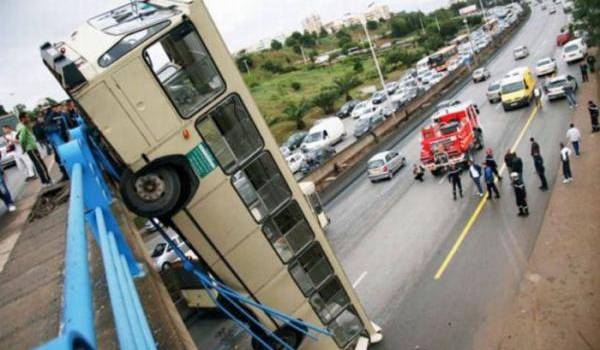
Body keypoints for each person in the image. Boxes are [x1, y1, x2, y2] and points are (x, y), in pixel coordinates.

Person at [16, 113, 52, 185]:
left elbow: (19, 137)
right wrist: (23, 148)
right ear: (23, 119)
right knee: (40, 164)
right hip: (31, 148)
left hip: (31, 148)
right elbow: (22, 139)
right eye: (27, 117)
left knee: (38, 164)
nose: (29, 119)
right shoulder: (23, 127)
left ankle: (45, 181)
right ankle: (46, 181)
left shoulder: (20, 126)